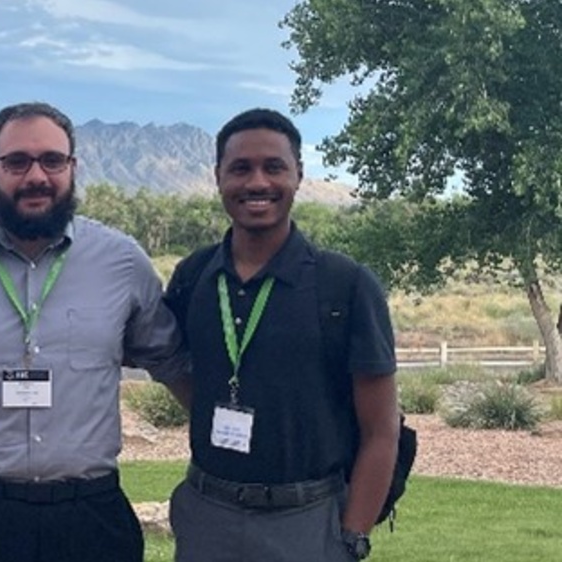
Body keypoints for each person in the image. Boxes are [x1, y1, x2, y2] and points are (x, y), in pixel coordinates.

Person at [0, 101, 188, 562]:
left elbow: (171, 364)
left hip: (90, 520)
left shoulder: (123, 263)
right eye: (17, 162)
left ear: (73, 168)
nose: (36, 176)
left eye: (52, 160)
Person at [159, 108, 399, 561]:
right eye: (240, 168)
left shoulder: (344, 285)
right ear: (217, 177)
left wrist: (352, 538)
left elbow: (382, 429)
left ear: (298, 175)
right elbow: (173, 365)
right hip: (207, 513)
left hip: (306, 519)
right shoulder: (194, 276)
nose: (257, 183)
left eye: (273, 167)